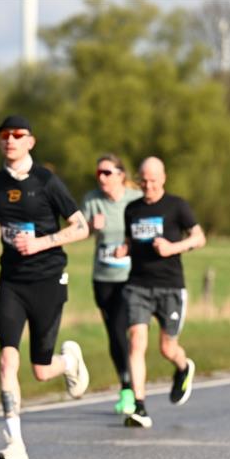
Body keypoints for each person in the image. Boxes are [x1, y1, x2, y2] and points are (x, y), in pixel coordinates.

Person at [0, 115, 91, 459]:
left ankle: (69, 361)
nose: (10, 140)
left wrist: (41, 242)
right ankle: (15, 443)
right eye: (4, 135)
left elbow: (82, 227)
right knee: (7, 358)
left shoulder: (47, 182)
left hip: (47, 280)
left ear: (31, 141)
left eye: (18, 135)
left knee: (41, 369)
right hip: (11, 281)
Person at [115, 157, 205, 428]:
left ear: (163, 178)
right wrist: (124, 249)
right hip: (138, 285)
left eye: (153, 180)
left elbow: (200, 238)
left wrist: (172, 248)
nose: (148, 185)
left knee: (167, 347)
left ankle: (182, 367)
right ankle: (140, 407)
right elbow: (131, 241)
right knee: (136, 341)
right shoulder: (132, 209)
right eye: (144, 180)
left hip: (170, 286)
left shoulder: (177, 206)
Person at [81, 154, 143, 415]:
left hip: (132, 277)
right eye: (99, 174)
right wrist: (90, 227)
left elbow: (146, 231)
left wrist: (128, 248)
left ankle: (135, 384)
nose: (102, 178)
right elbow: (76, 229)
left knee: (136, 333)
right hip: (104, 278)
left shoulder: (134, 199)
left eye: (107, 172)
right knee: (116, 333)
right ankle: (127, 387)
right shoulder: (92, 200)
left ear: (120, 174)